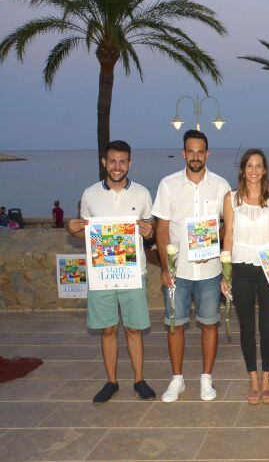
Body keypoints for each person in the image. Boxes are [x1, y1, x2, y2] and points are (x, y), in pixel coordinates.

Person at [65, 140, 156, 403]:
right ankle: (111, 381)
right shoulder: (90, 194)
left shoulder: (141, 194)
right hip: (101, 273)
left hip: (132, 272)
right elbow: (85, 231)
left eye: (123, 161)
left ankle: (139, 380)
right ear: (104, 162)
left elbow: (149, 229)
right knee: (107, 329)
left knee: (134, 328)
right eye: (113, 161)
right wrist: (72, 229)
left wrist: (148, 232)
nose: (118, 166)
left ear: (130, 163)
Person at [153, 129, 231, 403]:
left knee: (210, 325)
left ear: (207, 153)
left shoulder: (221, 185)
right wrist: (165, 267)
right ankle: (177, 380)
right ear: (184, 153)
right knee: (175, 325)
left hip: (210, 271)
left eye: (201, 151)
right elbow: (161, 229)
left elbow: (228, 227)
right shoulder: (167, 184)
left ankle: (206, 379)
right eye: (190, 151)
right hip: (178, 272)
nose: (195, 156)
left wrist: (221, 258)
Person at [221, 149, 269, 404]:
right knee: (246, 326)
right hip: (241, 268)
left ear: (265, 170)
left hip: (268, 268)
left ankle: (267, 376)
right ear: (243, 170)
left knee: (267, 326)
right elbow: (228, 236)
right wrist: (225, 273)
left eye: (259, 166)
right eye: (249, 166)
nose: (254, 171)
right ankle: (253, 378)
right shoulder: (231, 199)